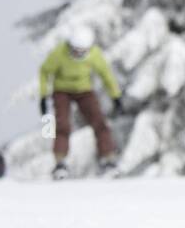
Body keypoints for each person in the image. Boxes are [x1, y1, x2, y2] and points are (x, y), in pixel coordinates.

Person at [39, 26, 124, 178]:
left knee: (99, 122)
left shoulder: (94, 55)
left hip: (84, 91)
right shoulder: (59, 53)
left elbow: (106, 74)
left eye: (82, 52)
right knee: (62, 125)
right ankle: (60, 163)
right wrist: (44, 96)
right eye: (75, 51)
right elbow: (45, 71)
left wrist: (115, 96)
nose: (78, 54)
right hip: (62, 91)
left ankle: (108, 159)